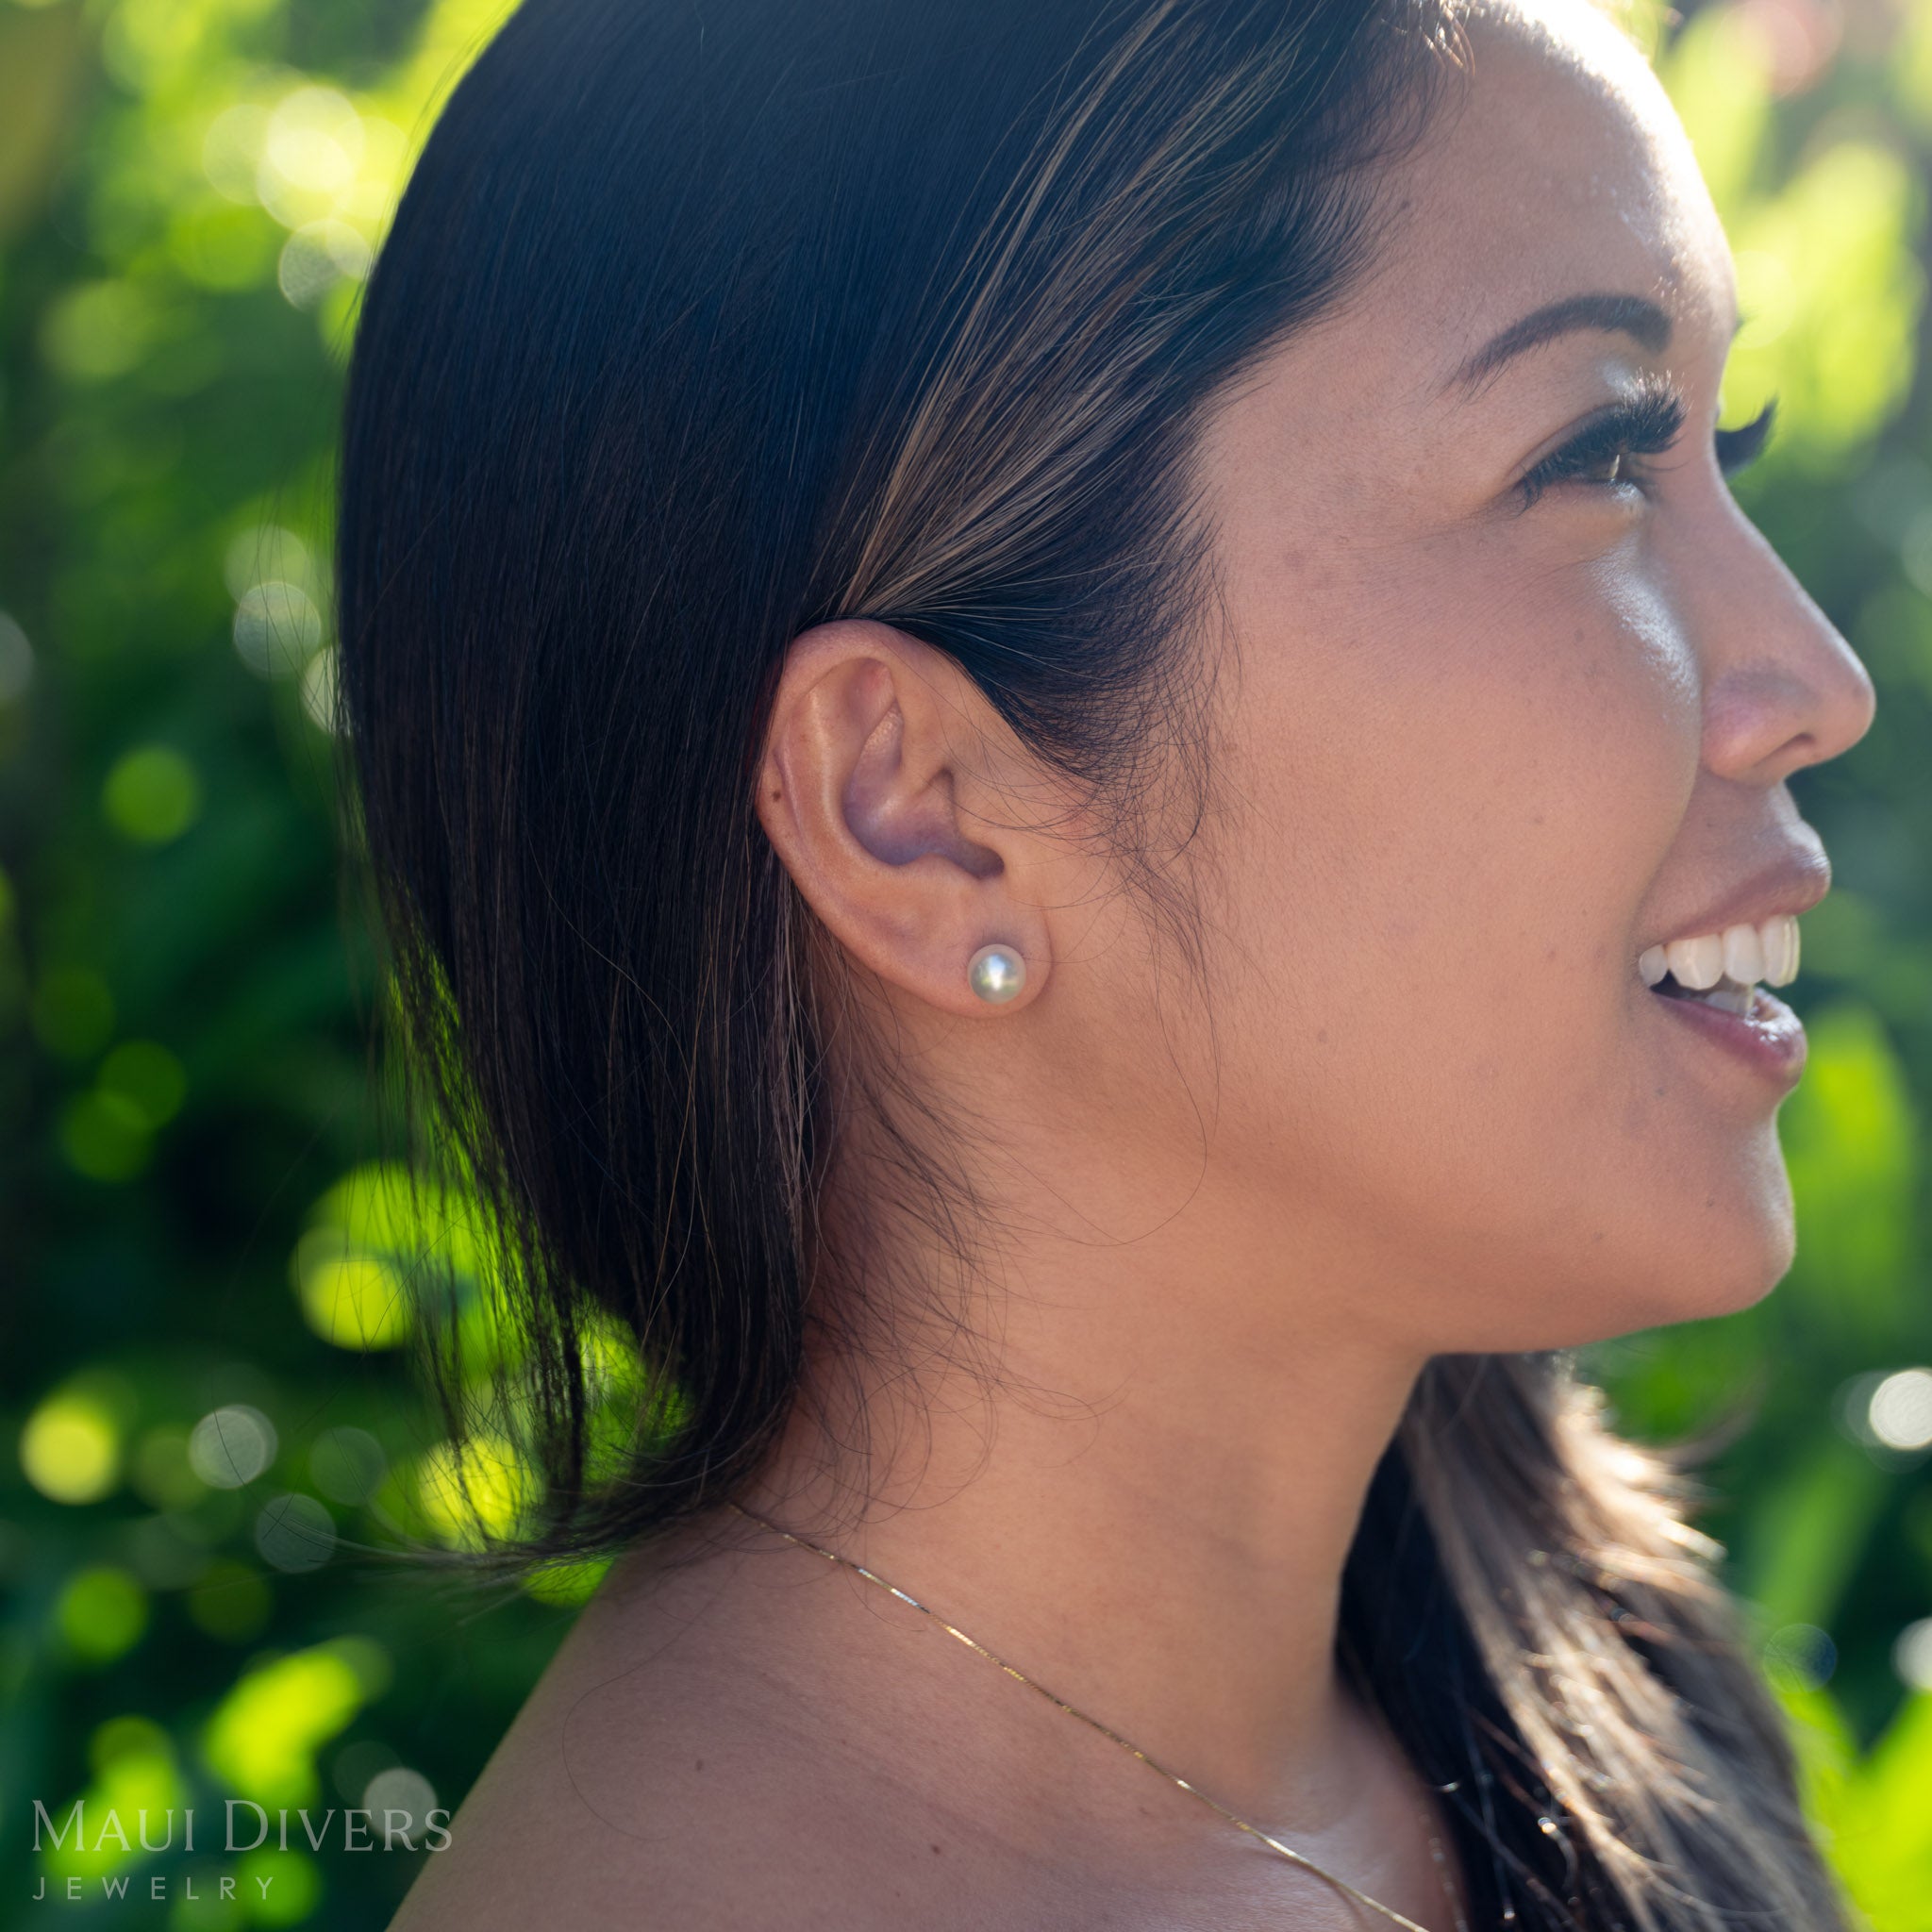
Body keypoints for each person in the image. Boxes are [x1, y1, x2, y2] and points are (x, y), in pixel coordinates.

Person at [333, 0, 1878, 1924]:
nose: (1816, 681)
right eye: (1598, 454)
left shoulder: (1573, 1664)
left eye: (1716, 443)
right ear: (926, 811)